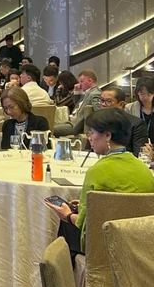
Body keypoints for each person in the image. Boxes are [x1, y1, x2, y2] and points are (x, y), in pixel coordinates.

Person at [45, 108, 154, 257]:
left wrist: (68, 215)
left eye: (92, 132)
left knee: (65, 228)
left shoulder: (96, 172)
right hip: (138, 246)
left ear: (107, 135)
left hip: (102, 246)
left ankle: (67, 279)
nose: (89, 138)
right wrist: (93, 203)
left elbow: (83, 224)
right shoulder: (144, 169)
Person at [96, 86, 149, 156]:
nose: (103, 104)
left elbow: (139, 154)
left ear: (121, 104)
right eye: (102, 100)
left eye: (108, 101)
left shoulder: (136, 124)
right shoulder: (97, 121)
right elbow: (88, 149)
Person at [54, 70, 102, 137]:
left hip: (76, 125)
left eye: (81, 81)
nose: (79, 84)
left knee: (51, 129)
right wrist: (76, 92)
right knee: (49, 126)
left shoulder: (95, 93)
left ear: (90, 81)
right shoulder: (88, 92)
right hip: (72, 121)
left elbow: (99, 111)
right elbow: (78, 105)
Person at [127, 77, 154, 141]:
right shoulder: (129, 108)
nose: (145, 97)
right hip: (137, 145)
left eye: (149, 94)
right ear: (137, 93)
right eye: (142, 94)